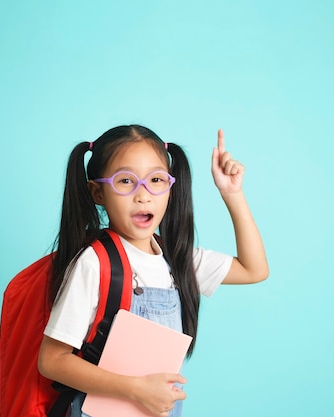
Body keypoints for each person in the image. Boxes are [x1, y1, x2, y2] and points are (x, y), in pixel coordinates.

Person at [38, 124, 268, 417]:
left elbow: (254, 269)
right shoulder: (94, 263)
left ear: (170, 188)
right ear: (97, 192)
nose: (143, 195)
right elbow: (53, 360)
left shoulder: (178, 261)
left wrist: (232, 194)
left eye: (156, 179)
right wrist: (135, 389)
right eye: (125, 181)